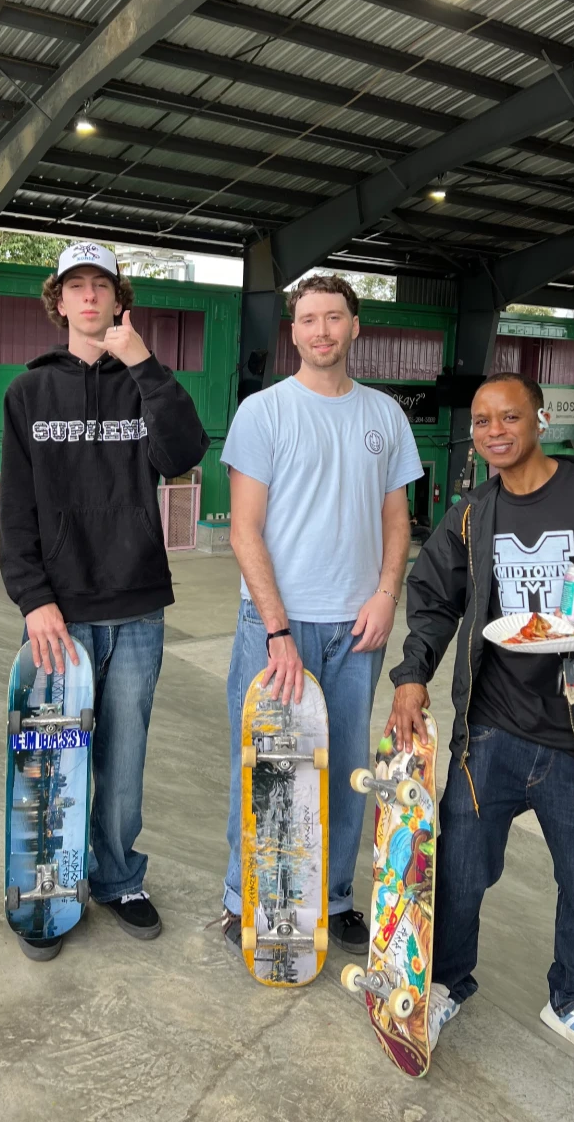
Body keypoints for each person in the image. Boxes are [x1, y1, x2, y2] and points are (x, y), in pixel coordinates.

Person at [388, 373, 574, 1076]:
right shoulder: (473, 513)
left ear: (540, 419)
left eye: (510, 416)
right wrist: (411, 673)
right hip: (491, 730)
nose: (494, 430)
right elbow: (433, 595)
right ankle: (442, 983)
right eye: (484, 420)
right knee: (458, 872)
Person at [0, 240, 209, 956]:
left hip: (137, 605)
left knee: (123, 758)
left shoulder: (144, 382)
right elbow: (17, 512)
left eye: (102, 287)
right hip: (59, 612)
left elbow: (183, 453)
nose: (89, 298)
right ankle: (51, 889)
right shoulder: (28, 392)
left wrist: (144, 361)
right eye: (75, 286)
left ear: (120, 300)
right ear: (57, 300)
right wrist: (33, 599)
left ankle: (118, 876)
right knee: (55, 757)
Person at [219, 273, 423, 954]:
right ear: (294, 329)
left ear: (354, 325)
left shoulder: (385, 417)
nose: (321, 330)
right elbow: (245, 529)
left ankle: (334, 898)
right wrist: (276, 627)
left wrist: (387, 592)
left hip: (356, 624)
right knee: (266, 767)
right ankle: (242, 895)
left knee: (343, 769)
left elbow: (398, 518)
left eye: (334, 317)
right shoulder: (265, 412)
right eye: (308, 319)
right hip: (278, 623)